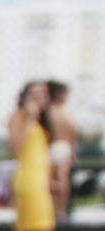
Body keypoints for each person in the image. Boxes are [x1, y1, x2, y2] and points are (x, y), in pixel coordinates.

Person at [5, 81, 72, 231]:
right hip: (28, 182)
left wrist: (52, 180)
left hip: (39, 181)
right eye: (34, 93)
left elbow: (41, 157)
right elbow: (15, 147)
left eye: (43, 93)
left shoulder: (46, 122)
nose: (40, 97)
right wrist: (30, 117)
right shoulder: (20, 116)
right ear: (25, 95)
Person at [46, 80, 77, 220]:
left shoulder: (49, 111)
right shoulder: (65, 112)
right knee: (61, 180)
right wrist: (72, 151)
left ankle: (54, 209)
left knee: (53, 180)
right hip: (62, 146)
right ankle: (61, 210)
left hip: (53, 146)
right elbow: (73, 134)